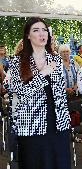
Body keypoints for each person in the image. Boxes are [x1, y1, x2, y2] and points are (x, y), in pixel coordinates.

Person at [7, 17, 71, 169]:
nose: (42, 34)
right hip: (31, 126)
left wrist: (65, 119)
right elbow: (20, 93)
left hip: (58, 124)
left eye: (44, 30)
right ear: (28, 36)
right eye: (36, 30)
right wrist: (42, 74)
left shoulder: (56, 59)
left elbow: (60, 92)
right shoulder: (17, 61)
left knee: (59, 163)